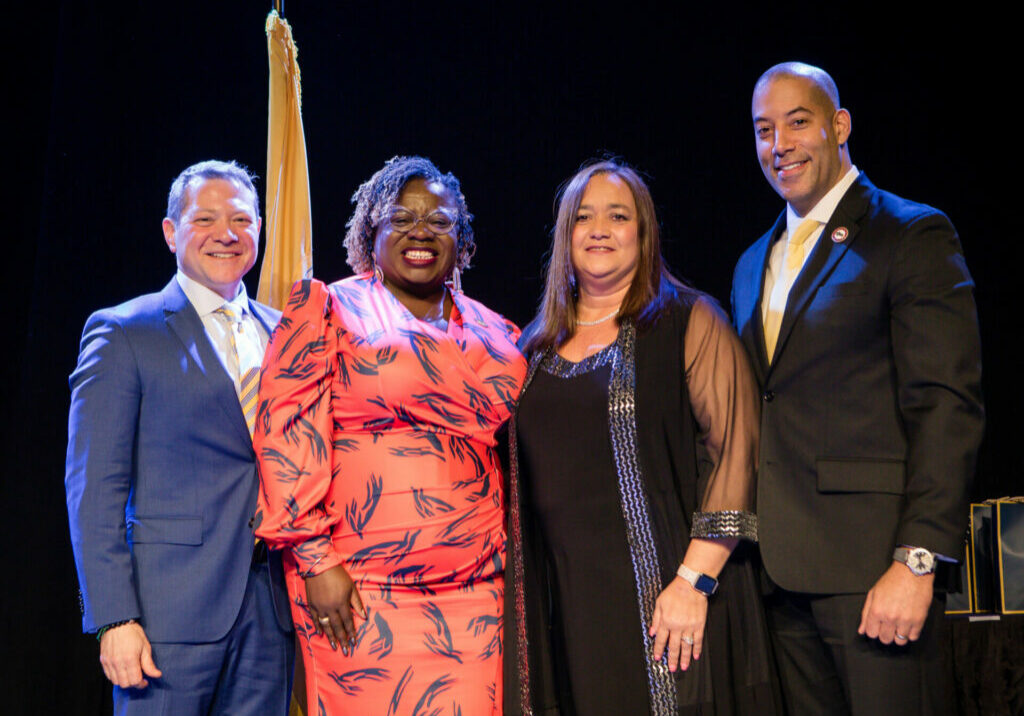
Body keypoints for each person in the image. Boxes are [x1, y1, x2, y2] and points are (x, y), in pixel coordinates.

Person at [731, 62, 984, 716]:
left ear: (838, 125)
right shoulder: (751, 262)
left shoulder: (909, 233)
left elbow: (946, 406)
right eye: (764, 130)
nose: (779, 144)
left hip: (877, 572)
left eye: (797, 122)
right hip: (780, 576)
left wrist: (918, 560)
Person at [505, 159, 782, 715]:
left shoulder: (686, 320)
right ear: (565, 236)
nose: (600, 229)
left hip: (671, 603)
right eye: (584, 217)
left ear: (644, 231)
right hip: (569, 610)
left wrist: (693, 583)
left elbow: (738, 452)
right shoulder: (532, 349)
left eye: (618, 216)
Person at [254, 156, 527, 714]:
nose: (421, 232)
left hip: (476, 593)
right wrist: (315, 560)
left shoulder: (498, 330)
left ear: (463, 238)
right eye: (400, 219)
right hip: (356, 590)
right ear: (370, 235)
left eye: (440, 221)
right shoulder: (328, 308)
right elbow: (287, 436)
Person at [65, 160, 294, 714]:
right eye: (206, 219)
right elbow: (93, 489)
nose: (227, 234)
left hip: (271, 613)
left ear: (259, 230)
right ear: (171, 233)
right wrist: (115, 617)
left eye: (242, 219)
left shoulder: (285, 332)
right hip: (167, 618)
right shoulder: (124, 331)